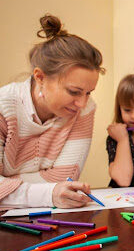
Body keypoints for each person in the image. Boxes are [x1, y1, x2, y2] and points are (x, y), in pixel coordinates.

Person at [0, 14, 104, 209]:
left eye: (88, 93)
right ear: (40, 77)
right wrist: (49, 192)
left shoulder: (85, 109)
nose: (82, 103)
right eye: (74, 92)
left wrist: (8, 183)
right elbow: (56, 186)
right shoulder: (3, 106)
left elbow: (63, 178)